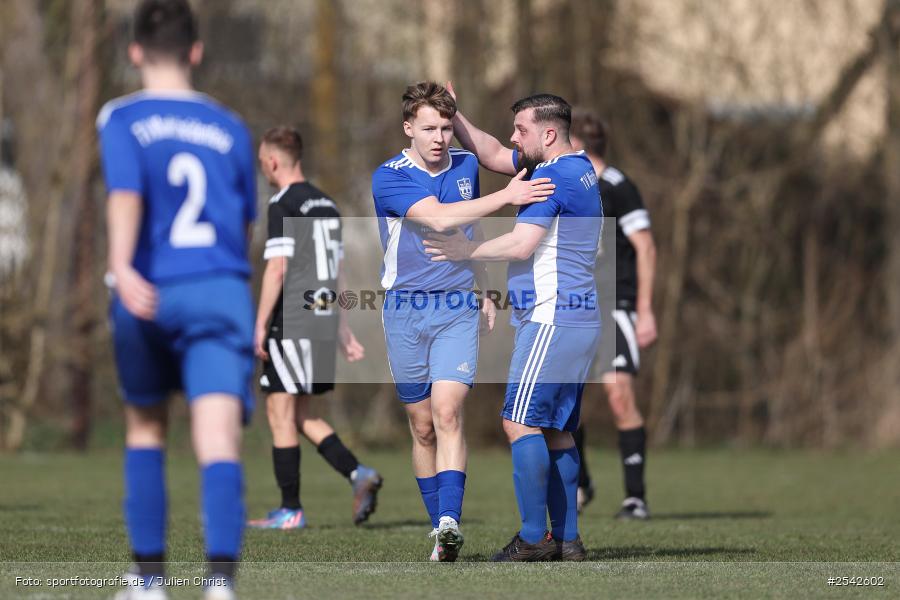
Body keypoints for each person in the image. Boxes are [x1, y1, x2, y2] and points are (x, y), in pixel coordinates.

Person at [98, 1, 254, 598]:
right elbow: (241, 226)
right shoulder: (230, 126)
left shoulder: (122, 117)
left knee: (145, 427)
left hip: (149, 290)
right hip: (218, 289)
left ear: (135, 50)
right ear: (196, 51)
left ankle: (148, 581)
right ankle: (219, 584)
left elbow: (126, 194)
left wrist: (118, 264)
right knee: (217, 437)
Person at [371, 82, 555, 561]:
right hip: (404, 311)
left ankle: (450, 522)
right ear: (408, 128)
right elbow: (439, 219)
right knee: (422, 426)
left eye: (447, 127)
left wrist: (484, 287)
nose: (439, 137)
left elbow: (472, 220)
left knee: (447, 412)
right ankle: (440, 531)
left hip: (455, 307)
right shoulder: (388, 177)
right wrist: (506, 197)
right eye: (429, 128)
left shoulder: (466, 165)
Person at [425, 88, 601, 562]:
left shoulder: (555, 177)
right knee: (557, 430)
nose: (512, 137)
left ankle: (533, 538)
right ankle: (567, 541)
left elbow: (522, 245)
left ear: (548, 132)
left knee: (518, 422)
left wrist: (467, 252)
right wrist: (453, 113)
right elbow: (488, 150)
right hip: (578, 317)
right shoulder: (577, 166)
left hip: (552, 317)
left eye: (521, 130)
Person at [247, 126, 383, 530]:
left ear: (272, 161)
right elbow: (337, 272)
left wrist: (260, 325)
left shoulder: (283, 203)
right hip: (321, 317)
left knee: (279, 409)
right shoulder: (327, 203)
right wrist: (340, 327)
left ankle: (290, 510)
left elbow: (278, 268)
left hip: (293, 319)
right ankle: (358, 474)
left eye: (262, 163)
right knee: (301, 412)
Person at [569, 110, 657, 520]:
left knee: (619, 395)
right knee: (565, 399)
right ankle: (582, 481)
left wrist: (644, 309)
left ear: (578, 146)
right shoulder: (567, 185)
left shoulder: (619, 187)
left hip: (615, 304)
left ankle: (635, 498)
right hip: (574, 305)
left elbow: (646, 247)